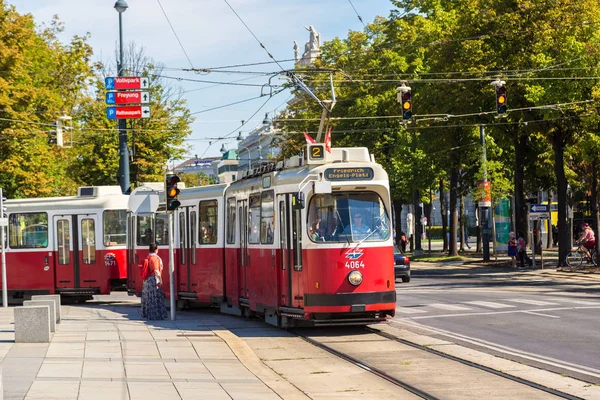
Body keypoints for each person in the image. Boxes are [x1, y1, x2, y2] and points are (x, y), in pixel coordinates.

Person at [140, 243, 168, 320]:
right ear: (156, 250)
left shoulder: (148, 257)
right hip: (153, 280)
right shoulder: (155, 259)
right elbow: (156, 270)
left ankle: (148, 314)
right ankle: (156, 315)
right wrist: (160, 280)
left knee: (148, 298)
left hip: (147, 280)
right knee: (155, 297)